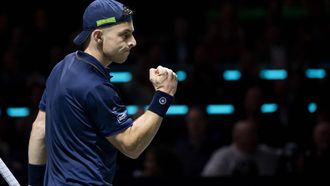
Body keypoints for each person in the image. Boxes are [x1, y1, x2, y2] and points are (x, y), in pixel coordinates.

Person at [27, 0, 178, 185]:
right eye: (125, 35)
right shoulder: (96, 87)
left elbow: (39, 129)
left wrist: (33, 183)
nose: (133, 42)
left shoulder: (60, 67)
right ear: (98, 36)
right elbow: (131, 146)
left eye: (132, 33)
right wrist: (164, 95)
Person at [202, 119, 279, 177]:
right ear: (236, 138)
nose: (253, 138)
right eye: (248, 135)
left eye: (254, 133)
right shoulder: (222, 155)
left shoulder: (268, 153)